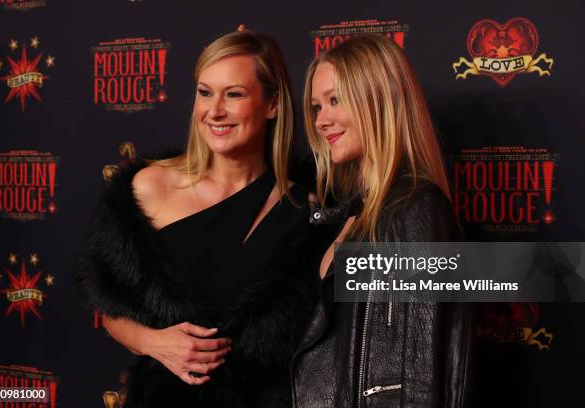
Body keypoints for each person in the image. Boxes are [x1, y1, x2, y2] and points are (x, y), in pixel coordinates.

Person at [74, 30, 326, 408]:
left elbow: (408, 286)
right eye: (205, 92)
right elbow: (109, 306)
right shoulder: (149, 188)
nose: (215, 110)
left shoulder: (309, 208)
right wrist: (155, 343)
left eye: (235, 94)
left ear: (272, 104)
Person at [291, 35, 474, 407]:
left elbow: (419, 375)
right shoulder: (354, 211)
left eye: (335, 100)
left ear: (378, 99)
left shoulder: (416, 209)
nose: (321, 120)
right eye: (315, 106)